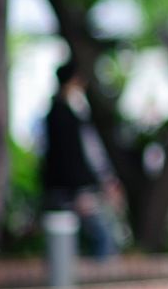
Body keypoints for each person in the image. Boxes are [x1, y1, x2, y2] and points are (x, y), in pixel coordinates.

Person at [40, 59, 121, 261]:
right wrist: (81, 188)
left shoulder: (67, 111)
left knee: (81, 240)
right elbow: (70, 156)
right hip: (74, 190)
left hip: (71, 188)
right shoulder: (63, 114)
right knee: (102, 238)